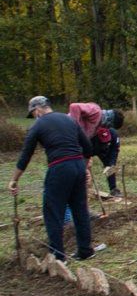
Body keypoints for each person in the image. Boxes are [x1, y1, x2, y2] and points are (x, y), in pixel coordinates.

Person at [8, 96, 94, 261]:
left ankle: (58, 256)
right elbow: (88, 148)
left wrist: (14, 179)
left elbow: (26, 154)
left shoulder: (38, 125)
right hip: (77, 165)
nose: (34, 116)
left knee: (53, 211)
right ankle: (85, 250)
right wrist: (83, 168)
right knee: (80, 209)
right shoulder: (70, 120)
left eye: (33, 113)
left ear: (38, 110)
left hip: (60, 167)